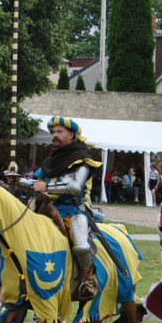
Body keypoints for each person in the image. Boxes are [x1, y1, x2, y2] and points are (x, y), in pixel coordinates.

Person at [31, 116, 103, 300]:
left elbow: (75, 187)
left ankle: (88, 279)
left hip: (74, 210)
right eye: (53, 132)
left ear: (71, 135)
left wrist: (46, 188)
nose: (54, 135)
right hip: (48, 209)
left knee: (81, 246)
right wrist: (22, 181)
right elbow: (38, 183)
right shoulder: (51, 161)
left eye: (59, 132)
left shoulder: (82, 160)